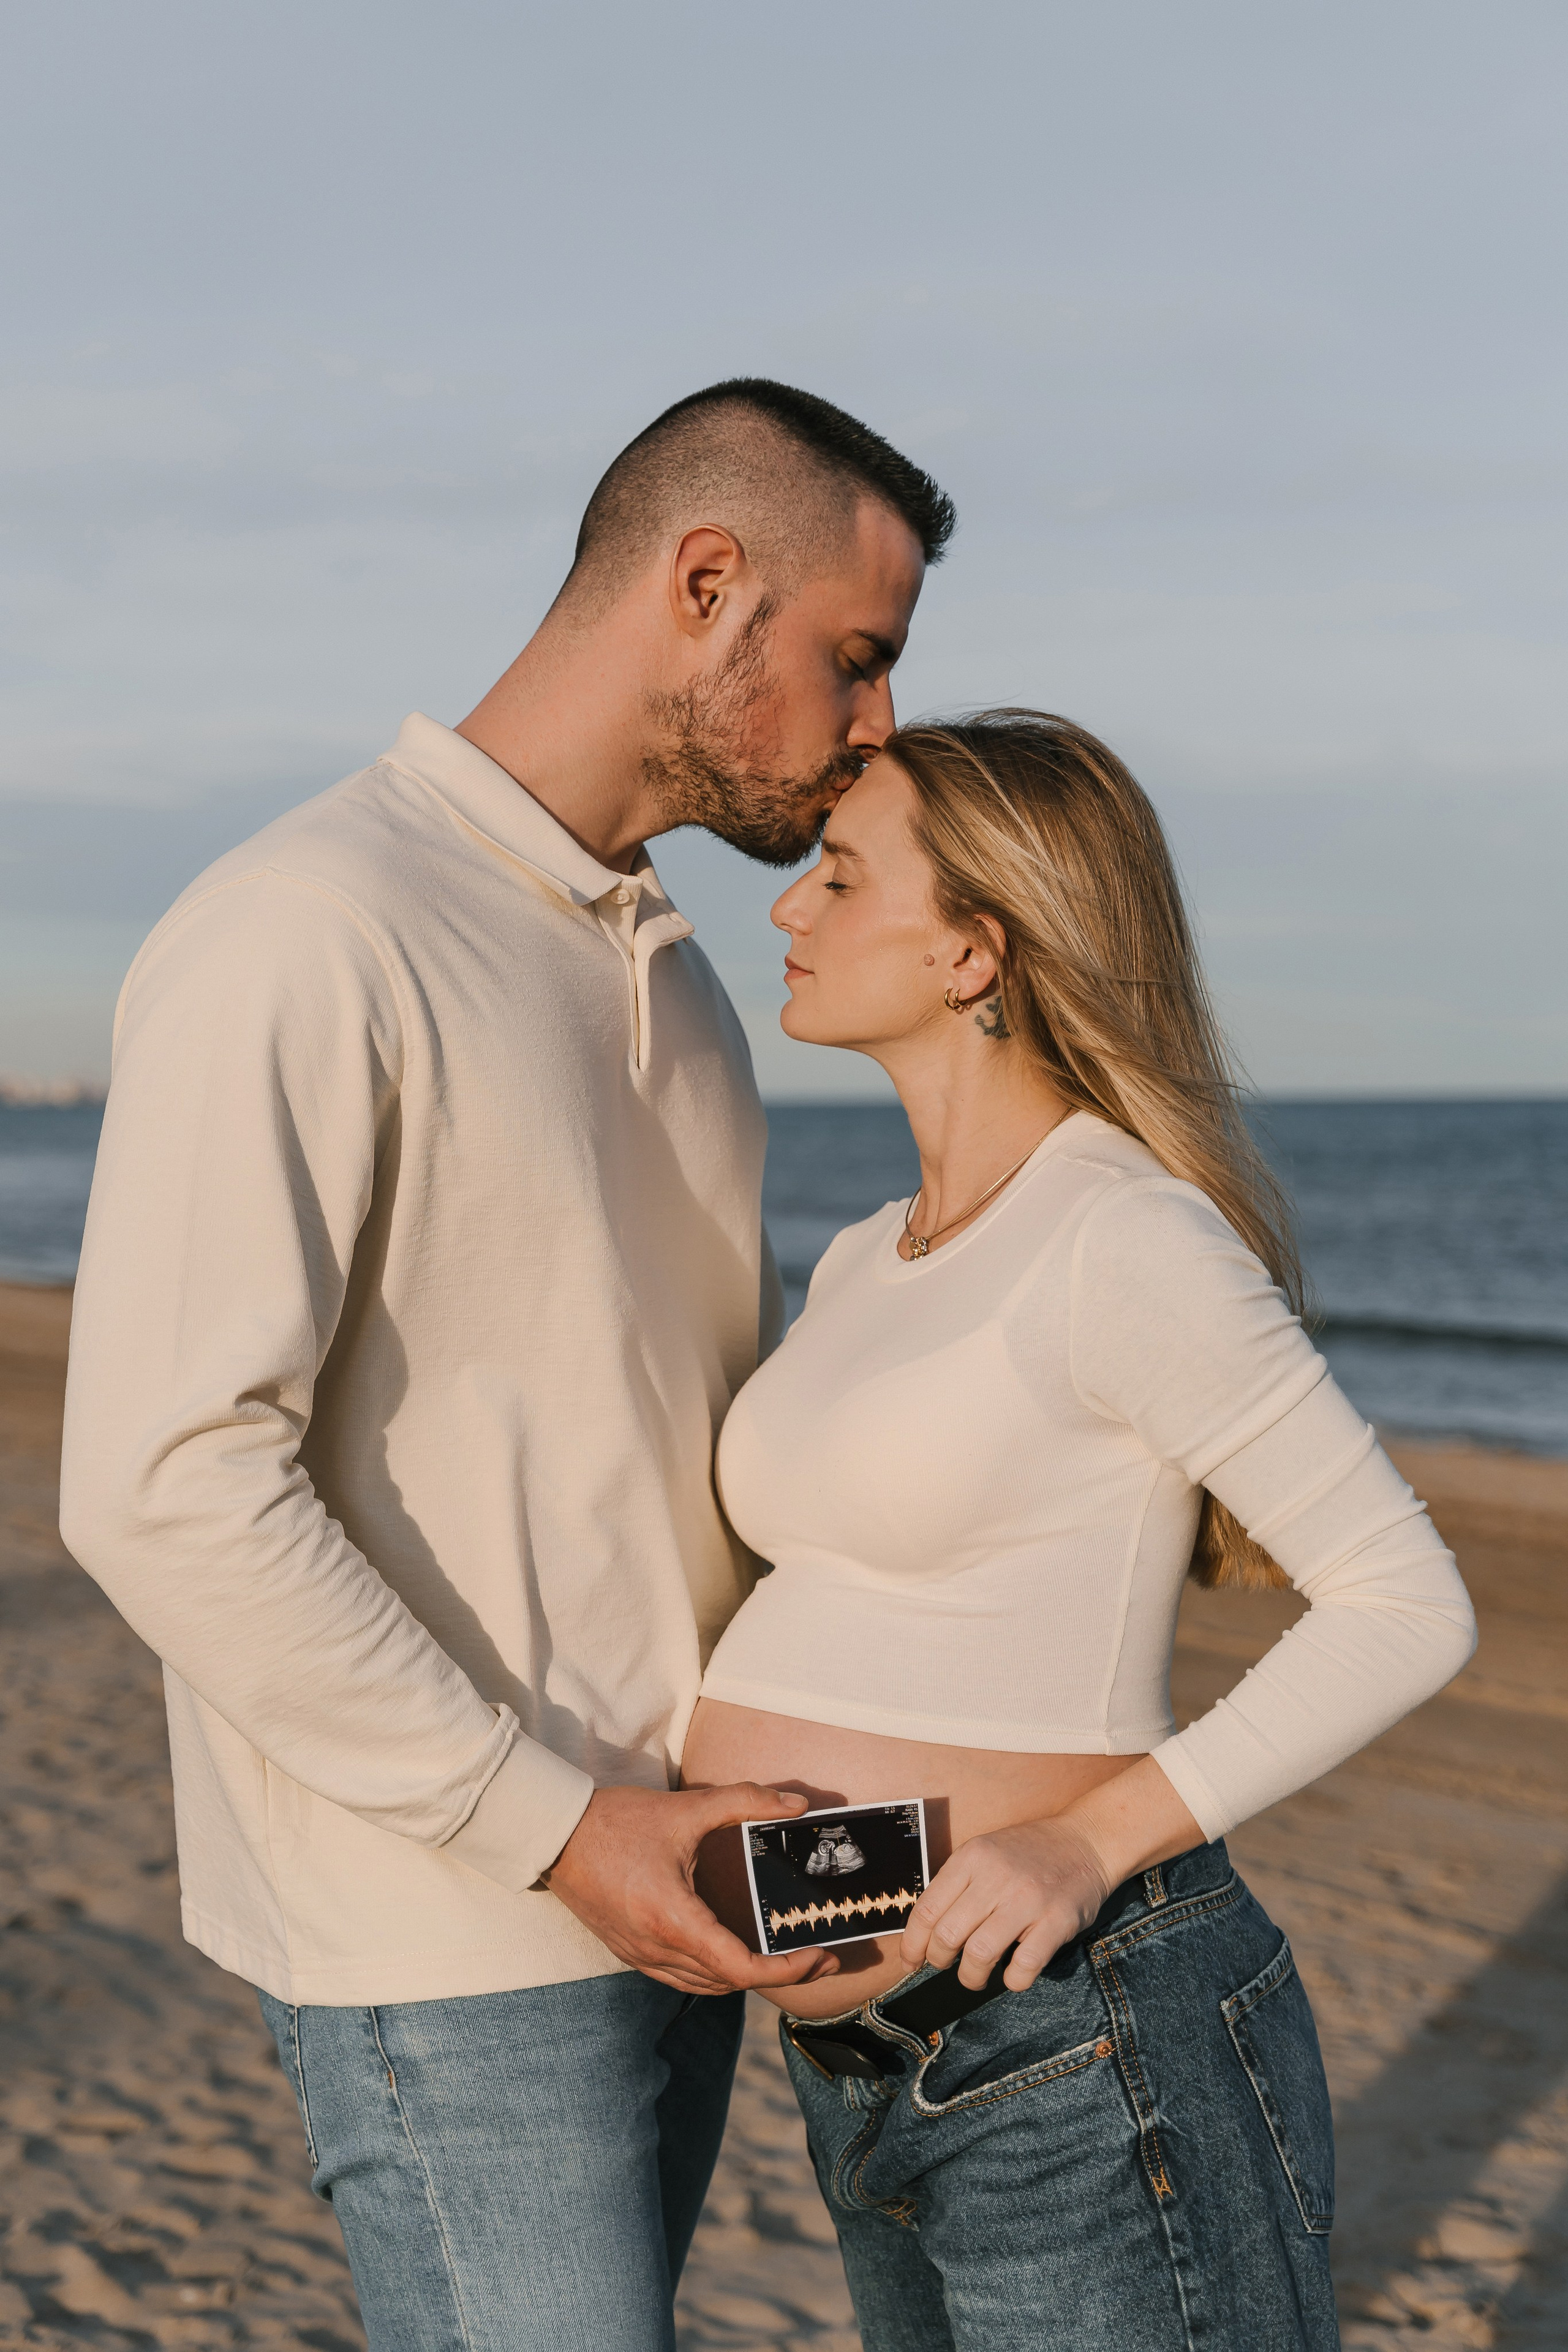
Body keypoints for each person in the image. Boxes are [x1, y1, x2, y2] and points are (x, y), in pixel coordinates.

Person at [57, 380, 954, 2352]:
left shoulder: (688, 985)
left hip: (687, 1891)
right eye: (856, 659)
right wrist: (552, 1829)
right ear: (705, 583)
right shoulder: (310, 927)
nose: (877, 726)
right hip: (458, 1932)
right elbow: (162, 1481)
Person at [683, 710, 1477, 2350]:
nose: (787, 909)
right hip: (860, 2055)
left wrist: (1090, 1839)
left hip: (1077, 2037)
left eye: (840, 877)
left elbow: (1407, 1602)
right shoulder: (859, 1259)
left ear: (977, 951)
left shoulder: (1124, 1237)